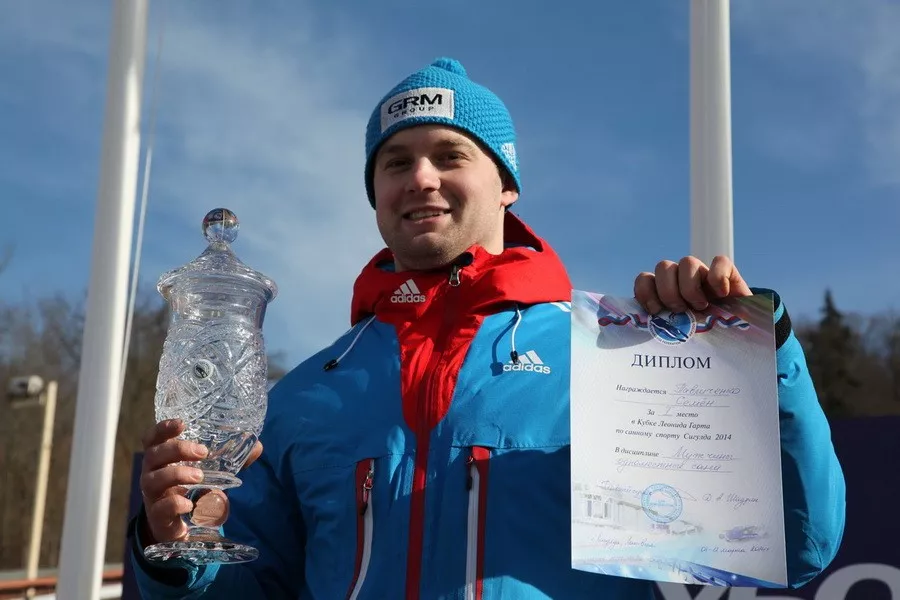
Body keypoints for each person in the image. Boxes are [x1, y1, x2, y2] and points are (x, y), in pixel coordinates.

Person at [130, 57, 846, 599]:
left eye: (450, 155)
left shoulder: (618, 355)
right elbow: (259, 585)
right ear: (375, 194)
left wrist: (749, 353)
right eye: (395, 162)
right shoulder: (302, 394)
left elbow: (793, 539)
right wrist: (176, 554)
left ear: (506, 183)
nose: (421, 178)